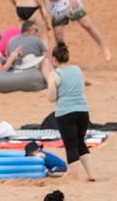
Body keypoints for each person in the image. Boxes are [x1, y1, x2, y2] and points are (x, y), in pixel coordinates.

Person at [41, 43, 95, 181]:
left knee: (71, 146)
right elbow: (81, 88)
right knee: (80, 142)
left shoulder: (54, 74)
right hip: (83, 111)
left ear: (54, 59)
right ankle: (90, 174)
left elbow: (52, 98)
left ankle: (76, 178)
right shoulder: (77, 69)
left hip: (65, 113)